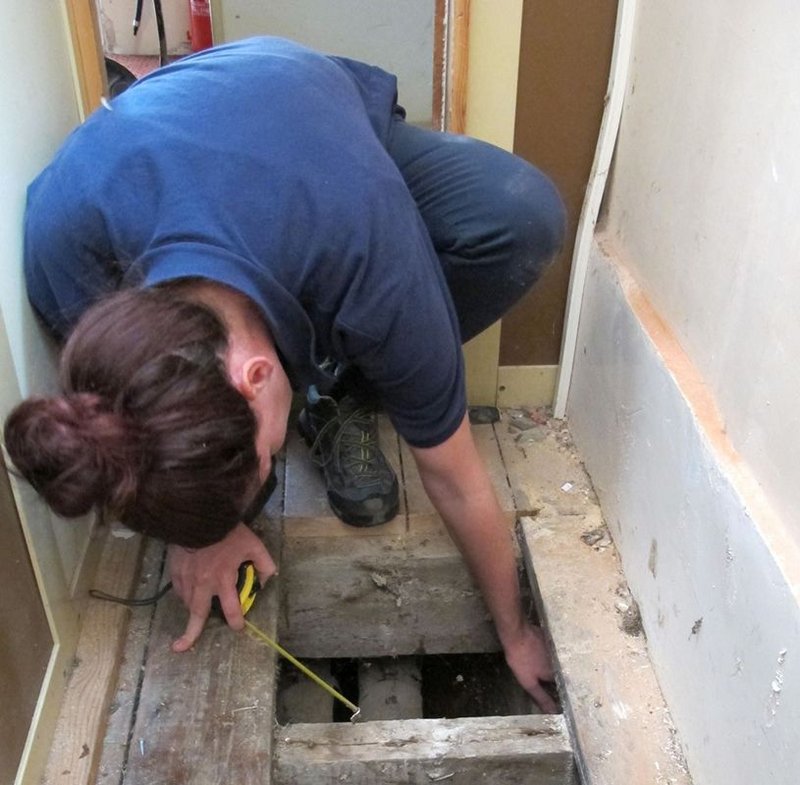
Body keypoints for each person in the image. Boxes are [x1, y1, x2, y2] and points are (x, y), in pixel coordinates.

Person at [4, 37, 565, 711]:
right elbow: (131, 431)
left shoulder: (363, 247)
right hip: (164, 145)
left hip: (302, 108)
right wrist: (201, 531)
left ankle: (340, 389)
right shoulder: (66, 250)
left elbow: (452, 472)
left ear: (259, 373)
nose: (270, 463)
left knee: (522, 214)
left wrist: (516, 632)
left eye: (269, 455)